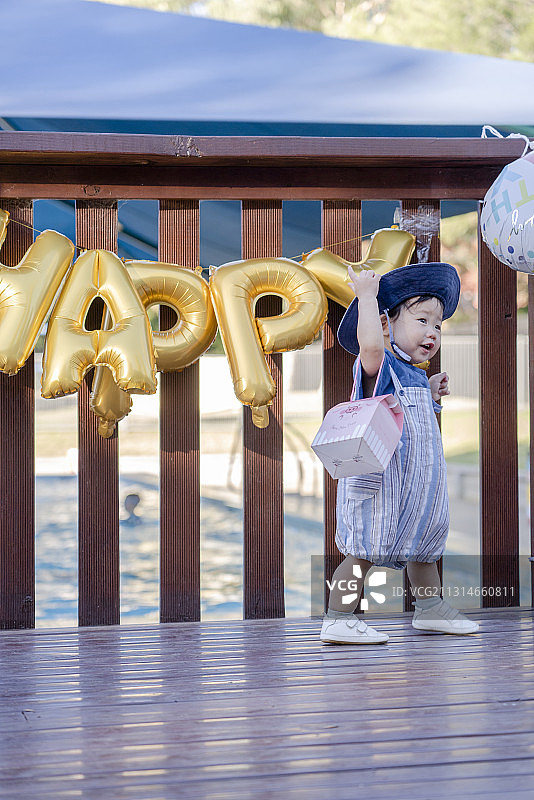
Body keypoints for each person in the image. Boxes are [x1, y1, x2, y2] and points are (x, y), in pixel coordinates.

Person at [320, 261, 479, 645]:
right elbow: (371, 345)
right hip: (381, 485)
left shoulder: (413, 374)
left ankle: (430, 609)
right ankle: (338, 616)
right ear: (387, 324)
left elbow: (413, 417)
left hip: (417, 488)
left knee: (424, 545)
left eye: (438, 325)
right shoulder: (380, 365)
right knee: (363, 549)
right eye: (422, 319)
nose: (432, 331)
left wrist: (430, 387)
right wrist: (368, 298)